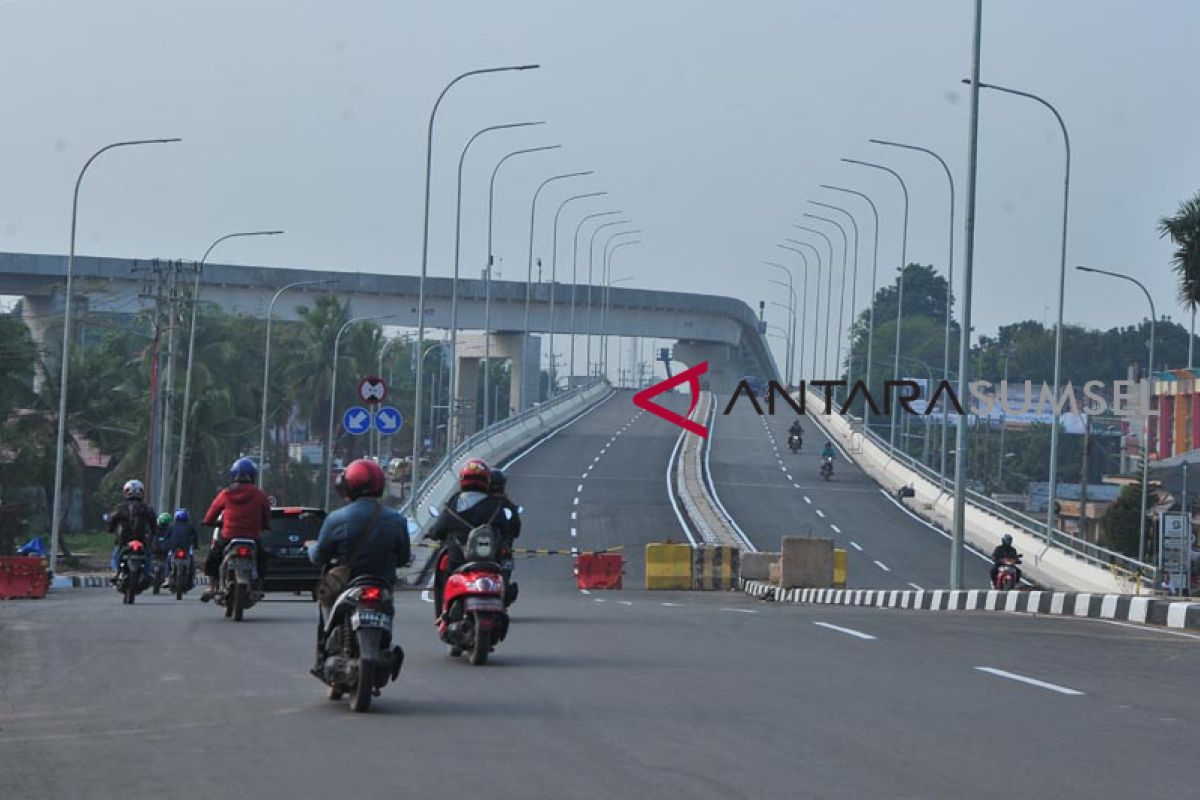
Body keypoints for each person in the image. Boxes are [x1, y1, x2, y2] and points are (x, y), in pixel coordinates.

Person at [307, 458, 411, 679]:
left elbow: (319, 557)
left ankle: (325, 646)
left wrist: (310, 547)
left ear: (349, 486)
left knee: (325, 599)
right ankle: (385, 644)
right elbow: (403, 558)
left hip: (347, 585)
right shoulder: (398, 519)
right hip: (383, 585)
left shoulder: (337, 519)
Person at [428, 458, 512, 619]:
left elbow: (438, 529)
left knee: (444, 571)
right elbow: (507, 529)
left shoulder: (455, 503)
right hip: (490, 560)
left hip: (458, 559)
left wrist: (433, 533)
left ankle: (443, 612)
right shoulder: (495, 505)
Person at [200, 458, 271, 602]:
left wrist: (207, 521)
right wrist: (264, 526)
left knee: (214, 556)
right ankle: (259, 587)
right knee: (262, 558)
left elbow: (213, 511)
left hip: (229, 535)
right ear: (253, 476)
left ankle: (212, 586)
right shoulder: (259, 494)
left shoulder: (226, 493)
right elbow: (266, 514)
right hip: (252, 537)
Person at [107, 479, 157, 583]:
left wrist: (111, 529)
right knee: (148, 554)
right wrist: (153, 533)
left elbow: (112, 520)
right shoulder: (146, 508)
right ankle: (148, 573)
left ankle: (116, 572)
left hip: (123, 539)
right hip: (141, 538)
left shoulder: (120, 507)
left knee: (116, 555)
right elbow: (153, 523)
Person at [488, 467, 521, 605]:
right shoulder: (508, 505)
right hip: (502, 550)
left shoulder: (481, 504)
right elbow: (516, 529)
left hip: (486, 549)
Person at [163, 509, 200, 588]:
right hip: (186, 548)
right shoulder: (190, 526)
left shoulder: (171, 526)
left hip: (173, 548)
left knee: (168, 560)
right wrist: (196, 546)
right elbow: (195, 538)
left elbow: (166, 537)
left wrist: (166, 545)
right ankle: (192, 578)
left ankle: (166, 579)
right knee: (191, 561)